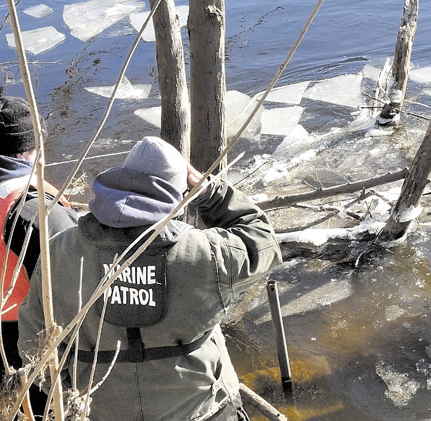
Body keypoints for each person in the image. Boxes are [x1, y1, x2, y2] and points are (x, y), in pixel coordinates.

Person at [18, 136, 282, 420]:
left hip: (99, 409)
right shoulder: (208, 253)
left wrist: (68, 392)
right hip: (200, 408)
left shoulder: (61, 249)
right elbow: (263, 242)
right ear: (181, 194)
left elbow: (33, 340)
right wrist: (211, 192)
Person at [0, 96, 78, 409]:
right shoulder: (30, 208)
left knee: (7, 401)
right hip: (25, 336)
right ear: (30, 149)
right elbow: (75, 276)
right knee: (42, 407)